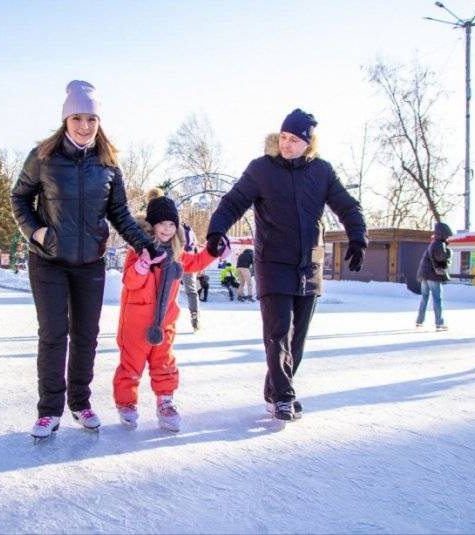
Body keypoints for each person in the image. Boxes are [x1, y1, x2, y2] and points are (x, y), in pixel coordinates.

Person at [10, 80, 159, 439]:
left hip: (90, 261)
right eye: (77, 117)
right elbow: (19, 199)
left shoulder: (107, 164)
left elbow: (120, 213)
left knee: (86, 336)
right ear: (66, 120)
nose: (84, 125)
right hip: (48, 259)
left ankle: (80, 402)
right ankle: (49, 411)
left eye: (91, 118)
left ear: (98, 121)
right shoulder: (43, 157)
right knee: (53, 334)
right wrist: (37, 232)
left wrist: (145, 245)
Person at [206, 108, 367, 421]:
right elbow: (233, 202)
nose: (287, 144)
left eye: (294, 139)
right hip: (273, 263)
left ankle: (275, 390)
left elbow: (348, 206)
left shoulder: (322, 172)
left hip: (309, 265)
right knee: (278, 333)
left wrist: (358, 237)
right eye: (283, 137)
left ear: (308, 143)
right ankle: (283, 396)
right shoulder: (261, 169)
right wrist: (215, 231)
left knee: (297, 340)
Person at [114, 189, 225, 431]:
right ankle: (126, 404)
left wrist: (213, 251)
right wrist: (143, 265)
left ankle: (165, 402)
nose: (166, 229)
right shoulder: (138, 250)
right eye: (161, 224)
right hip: (136, 322)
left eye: (171, 224)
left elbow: (195, 262)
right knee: (131, 365)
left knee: (164, 363)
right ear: (152, 225)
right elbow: (130, 282)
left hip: (165, 322)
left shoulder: (177, 254)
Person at [416, 222, 453, 331]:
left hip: (424, 275)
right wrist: (449, 253)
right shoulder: (439, 244)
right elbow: (441, 258)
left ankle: (419, 321)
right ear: (443, 234)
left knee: (424, 298)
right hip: (433, 276)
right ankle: (439, 323)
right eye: (447, 236)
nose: (448, 238)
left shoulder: (433, 243)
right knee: (437, 298)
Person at [180, 222, 201, 331]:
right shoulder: (191, 232)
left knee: (166, 289)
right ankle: (195, 318)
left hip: (177, 259)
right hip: (190, 262)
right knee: (191, 291)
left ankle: (162, 319)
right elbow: (196, 249)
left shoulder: (173, 228)